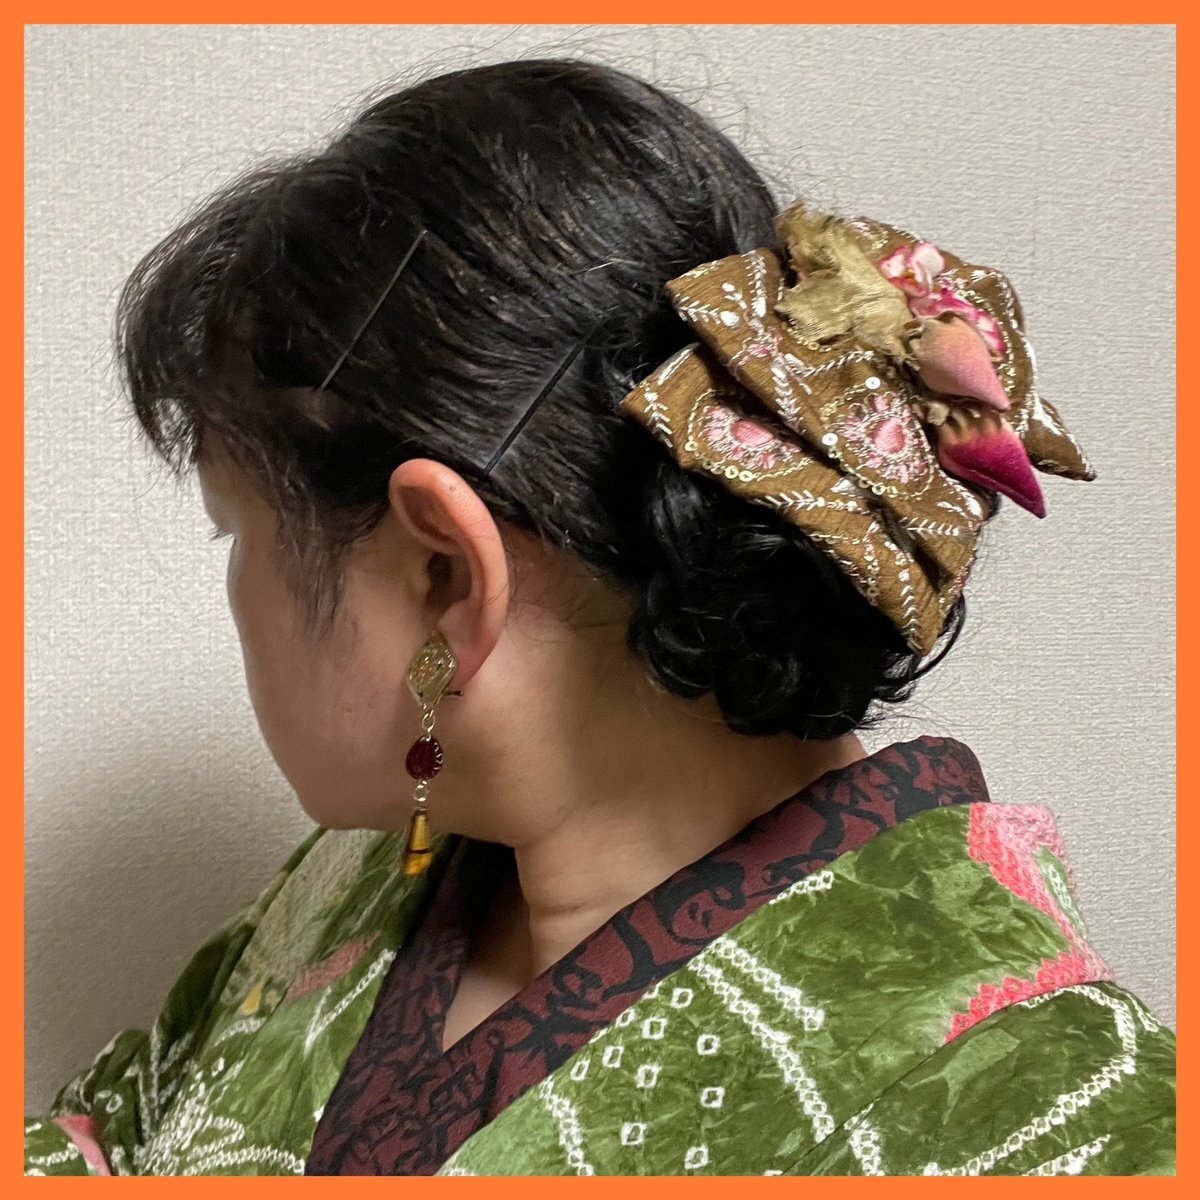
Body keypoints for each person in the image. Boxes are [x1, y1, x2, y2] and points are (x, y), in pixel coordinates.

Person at [24, 58, 1175, 1177]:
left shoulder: (1068, 1128)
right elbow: (116, 1138)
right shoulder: (354, 890)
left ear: (443, 578)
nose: (236, 583)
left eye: (234, 529)